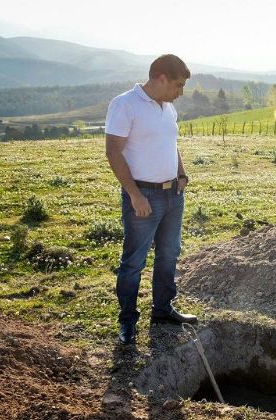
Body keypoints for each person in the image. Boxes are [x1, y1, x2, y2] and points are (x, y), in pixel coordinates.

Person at [105, 54, 198, 345]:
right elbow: (113, 152)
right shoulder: (125, 104)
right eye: (178, 85)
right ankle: (128, 323)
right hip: (143, 195)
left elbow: (171, 144)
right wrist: (134, 194)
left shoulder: (168, 108)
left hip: (173, 194)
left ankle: (162, 310)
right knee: (134, 261)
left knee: (170, 253)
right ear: (161, 78)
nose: (181, 92)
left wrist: (181, 175)